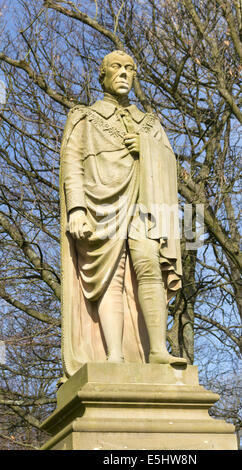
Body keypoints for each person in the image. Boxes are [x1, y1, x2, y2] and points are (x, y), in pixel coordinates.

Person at [60, 50, 186, 377]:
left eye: (130, 68)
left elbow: (170, 164)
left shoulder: (150, 123)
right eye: (116, 67)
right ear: (102, 75)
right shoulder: (84, 118)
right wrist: (76, 207)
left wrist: (147, 147)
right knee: (110, 275)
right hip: (100, 205)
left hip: (145, 204)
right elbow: (71, 164)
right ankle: (114, 355)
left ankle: (158, 350)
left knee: (149, 265)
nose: (124, 73)